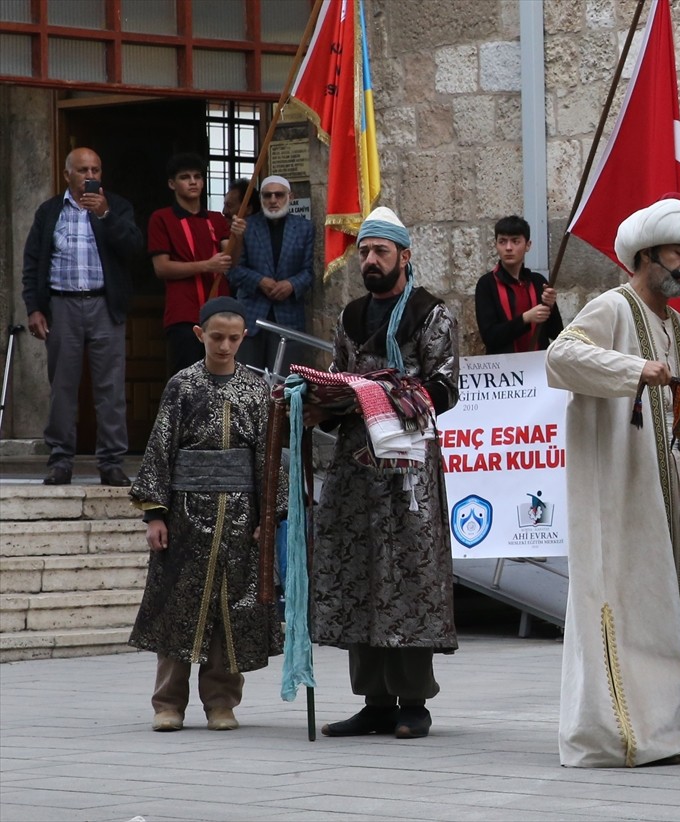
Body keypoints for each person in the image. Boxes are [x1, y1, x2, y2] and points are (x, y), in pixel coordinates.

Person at [546, 197, 680, 768]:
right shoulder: (611, 307)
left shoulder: (678, 327)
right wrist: (634, 370)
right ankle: (632, 732)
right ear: (645, 253)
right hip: (624, 491)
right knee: (634, 604)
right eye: (678, 252)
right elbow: (563, 358)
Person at [308, 207, 460, 741]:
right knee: (359, 571)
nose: (370, 260)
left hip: (408, 466)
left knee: (408, 574)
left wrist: (387, 392)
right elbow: (338, 375)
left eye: (381, 252)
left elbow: (446, 387)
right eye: (365, 252)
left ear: (404, 257)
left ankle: (413, 702)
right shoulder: (350, 315)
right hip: (355, 464)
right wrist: (320, 398)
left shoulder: (431, 314)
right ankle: (373, 700)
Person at [128, 296, 283, 733]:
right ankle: (168, 703)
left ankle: (221, 701)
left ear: (243, 338)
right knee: (177, 605)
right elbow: (161, 448)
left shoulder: (257, 389)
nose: (225, 346)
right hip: (185, 516)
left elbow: (269, 458)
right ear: (200, 335)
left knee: (230, 609)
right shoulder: (182, 386)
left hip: (239, 516)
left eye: (234, 338)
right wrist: (155, 515)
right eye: (217, 337)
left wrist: (267, 518)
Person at [21, 147, 143, 487]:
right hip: (62, 306)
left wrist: (105, 215)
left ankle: (111, 463)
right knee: (62, 386)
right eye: (83, 170)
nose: (90, 176)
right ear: (67, 175)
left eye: (96, 170)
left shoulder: (116, 206)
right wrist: (34, 307)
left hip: (105, 305)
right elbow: (32, 264)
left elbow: (134, 247)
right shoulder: (49, 212)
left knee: (111, 388)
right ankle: (60, 461)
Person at [147, 152, 245, 375]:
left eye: (197, 177)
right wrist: (205, 266)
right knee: (186, 381)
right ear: (172, 183)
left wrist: (238, 237)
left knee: (222, 380)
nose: (193, 182)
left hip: (220, 314)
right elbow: (161, 267)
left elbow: (231, 259)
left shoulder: (216, 219)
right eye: (185, 177)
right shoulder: (161, 218)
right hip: (184, 314)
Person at [228, 175, 315, 375]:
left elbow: (308, 272)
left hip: (288, 318)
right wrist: (259, 281)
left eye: (279, 195)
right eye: (267, 195)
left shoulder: (304, 228)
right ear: (261, 199)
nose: (273, 200)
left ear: (290, 197)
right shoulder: (246, 226)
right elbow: (233, 271)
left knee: (284, 386)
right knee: (247, 382)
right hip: (251, 318)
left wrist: (291, 285)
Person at [474, 215, 563, 353]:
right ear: (495, 245)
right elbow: (490, 337)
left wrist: (550, 306)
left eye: (516, 241)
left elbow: (556, 333)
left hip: (537, 366)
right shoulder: (487, 284)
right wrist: (525, 318)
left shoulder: (538, 282)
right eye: (502, 241)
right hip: (504, 369)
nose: (508, 248)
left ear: (528, 245)